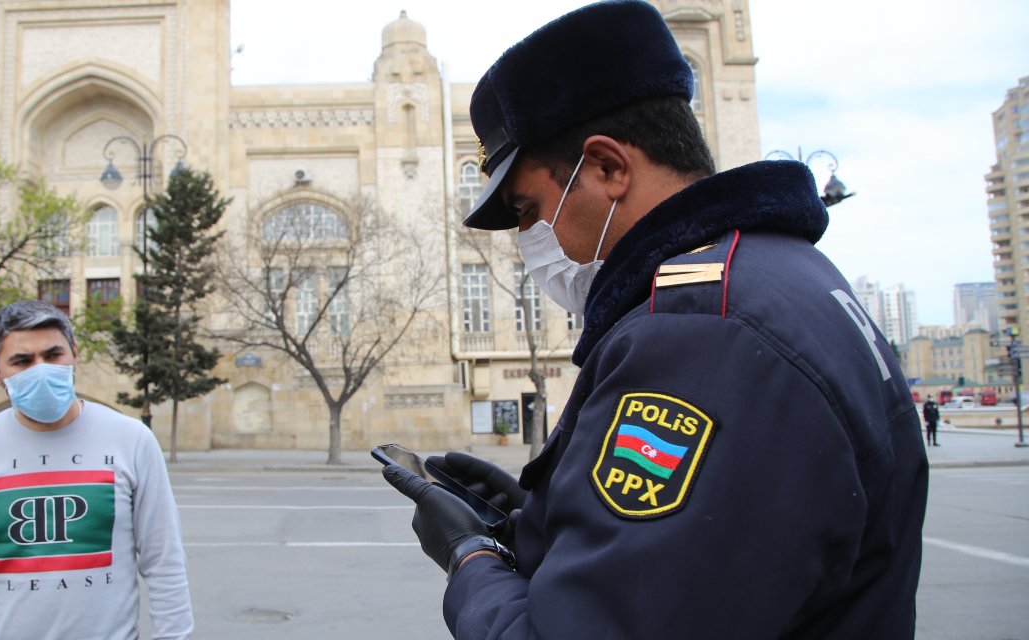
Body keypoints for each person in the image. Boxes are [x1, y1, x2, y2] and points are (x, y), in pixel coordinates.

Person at [380, 1, 928, 637]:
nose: (530, 238)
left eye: (530, 210)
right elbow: (725, 545)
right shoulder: (785, 271)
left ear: (608, 167)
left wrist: (471, 558)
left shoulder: (699, 332)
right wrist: (550, 512)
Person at [0, 300, 193, 640]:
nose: (41, 369)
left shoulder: (131, 440)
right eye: (22, 361)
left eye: (53, 355)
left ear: (74, 354)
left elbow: (164, 561)